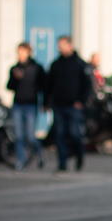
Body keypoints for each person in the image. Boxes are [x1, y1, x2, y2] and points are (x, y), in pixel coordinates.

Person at [46, 35, 92, 172]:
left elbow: (87, 85)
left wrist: (81, 101)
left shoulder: (80, 64)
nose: (59, 48)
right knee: (59, 135)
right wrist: (46, 102)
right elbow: (49, 85)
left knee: (74, 134)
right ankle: (62, 163)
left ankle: (79, 155)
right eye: (58, 46)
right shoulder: (55, 65)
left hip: (74, 106)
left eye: (61, 45)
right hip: (59, 106)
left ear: (69, 45)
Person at [5, 42, 46, 171]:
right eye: (18, 52)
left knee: (30, 136)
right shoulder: (15, 68)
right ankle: (21, 161)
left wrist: (45, 103)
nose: (20, 55)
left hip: (31, 106)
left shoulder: (36, 68)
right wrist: (15, 79)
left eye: (22, 52)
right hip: (17, 105)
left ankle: (39, 153)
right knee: (18, 135)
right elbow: (9, 86)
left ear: (28, 52)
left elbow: (43, 86)